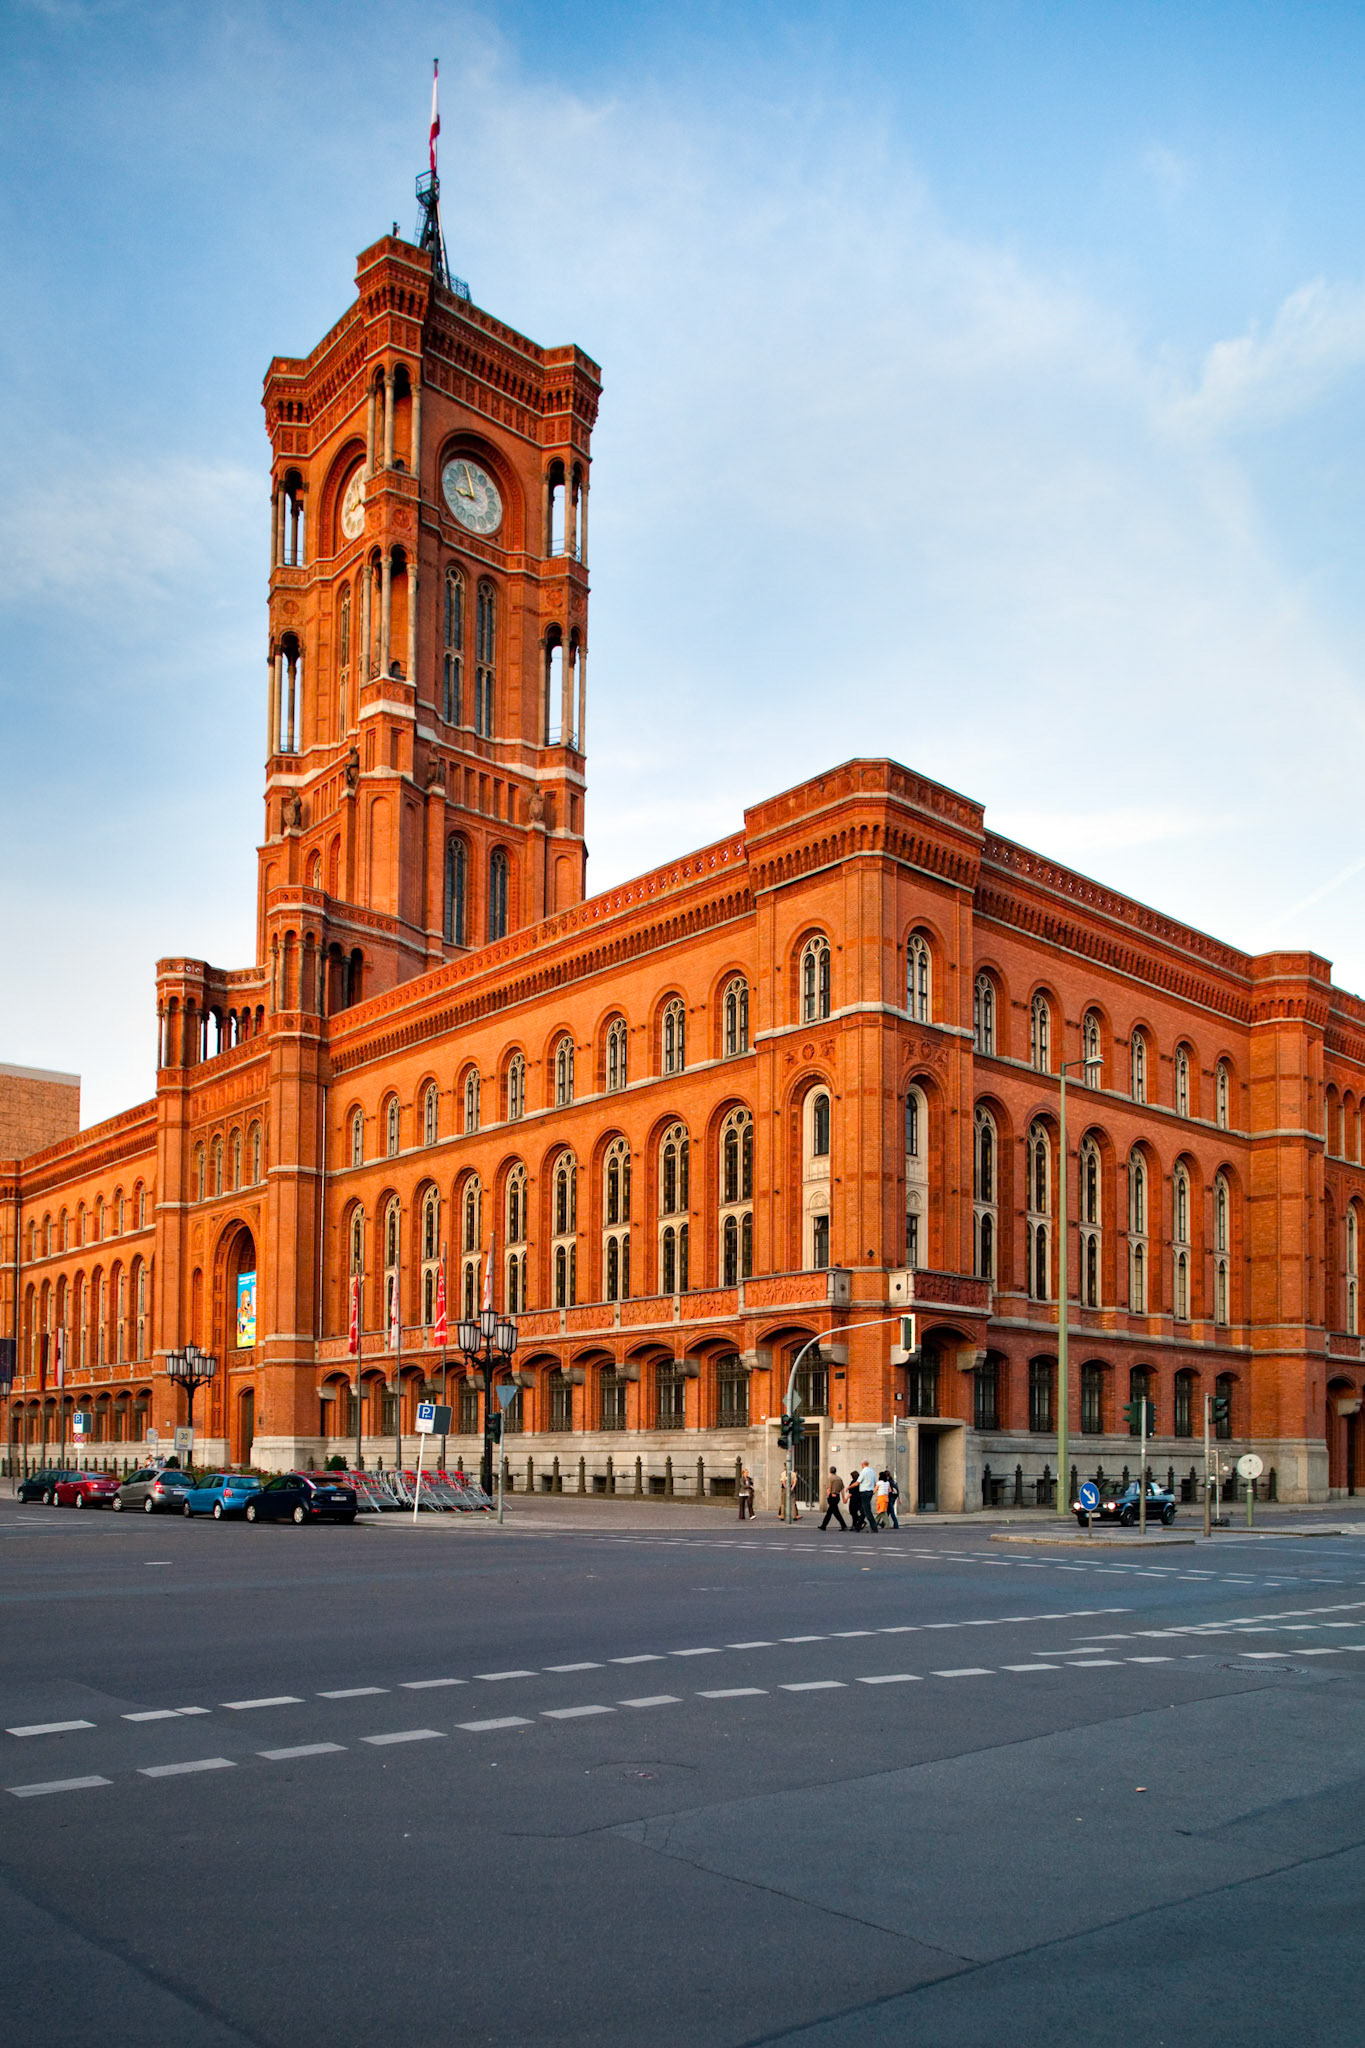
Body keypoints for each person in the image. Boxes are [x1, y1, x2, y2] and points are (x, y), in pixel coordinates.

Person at [820, 1467, 847, 1531]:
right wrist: (843, 1498)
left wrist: (827, 1495)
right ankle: (824, 1525)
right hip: (837, 1496)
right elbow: (842, 1489)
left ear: (830, 1471)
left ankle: (843, 1525)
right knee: (832, 1512)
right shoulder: (839, 1478)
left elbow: (829, 1488)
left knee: (833, 1512)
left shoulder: (830, 1478)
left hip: (832, 1496)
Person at [857, 1458, 879, 1531]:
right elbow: (876, 1482)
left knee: (867, 1510)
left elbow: (858, 1482)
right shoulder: (872, 1471)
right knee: (863, 1510)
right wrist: (874, 1490)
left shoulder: (863, 1472)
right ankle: (858, 1527)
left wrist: (849, 1487)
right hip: (870, 1492)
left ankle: (874, 1526)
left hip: (864, 1492)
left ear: (862, 1464)